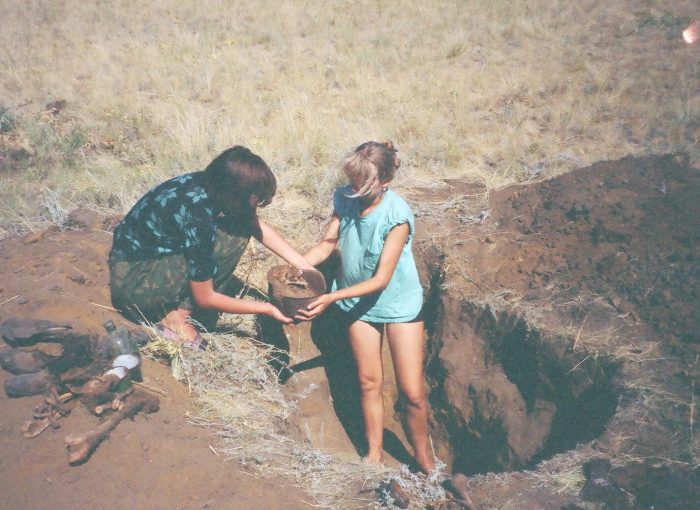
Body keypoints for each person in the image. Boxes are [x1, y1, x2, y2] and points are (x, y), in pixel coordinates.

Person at [298, 140, 435, 473]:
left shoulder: (397, 214)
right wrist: (297, 265)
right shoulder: (345, 198)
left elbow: (381, 279)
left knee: (412, 393)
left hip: (399, 304)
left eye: (361, 183)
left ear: (384, 183)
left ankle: (425, 460)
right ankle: (374, 453)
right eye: (351, 180)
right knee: (369, 382)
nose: (353, 188)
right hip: (357, 303)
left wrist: (330, 297)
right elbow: (329, 243)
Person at [109, 145, 315, 348]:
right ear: (236, 195)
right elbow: (205, 297)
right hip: (133, 281)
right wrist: (267, 309)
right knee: (233, 236)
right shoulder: (197, 216)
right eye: (253, 200)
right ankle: (177, 319)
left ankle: (177, 309)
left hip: (141, 256)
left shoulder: (213, 183)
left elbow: (254, 224)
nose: (254, 206)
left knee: (239, 225)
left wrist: (305, 267)